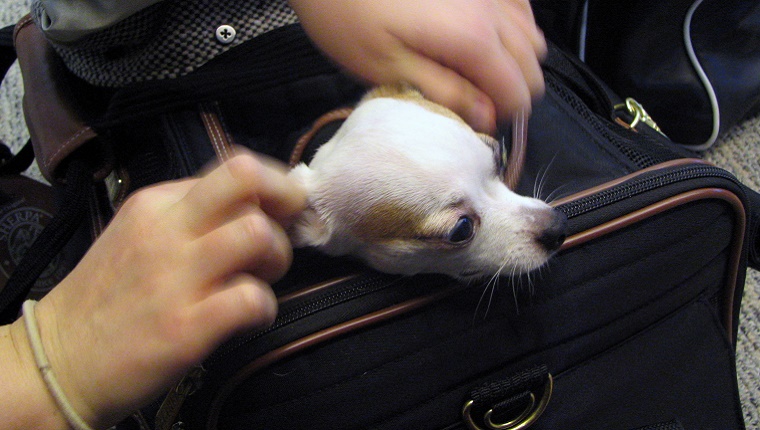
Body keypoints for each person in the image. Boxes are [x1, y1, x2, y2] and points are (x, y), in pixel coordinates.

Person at [0, 0, 547, 428]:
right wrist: (50, 364)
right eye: (458, 229)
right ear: (307, 223)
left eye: (488, 157)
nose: (543, 220)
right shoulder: (312, 212)